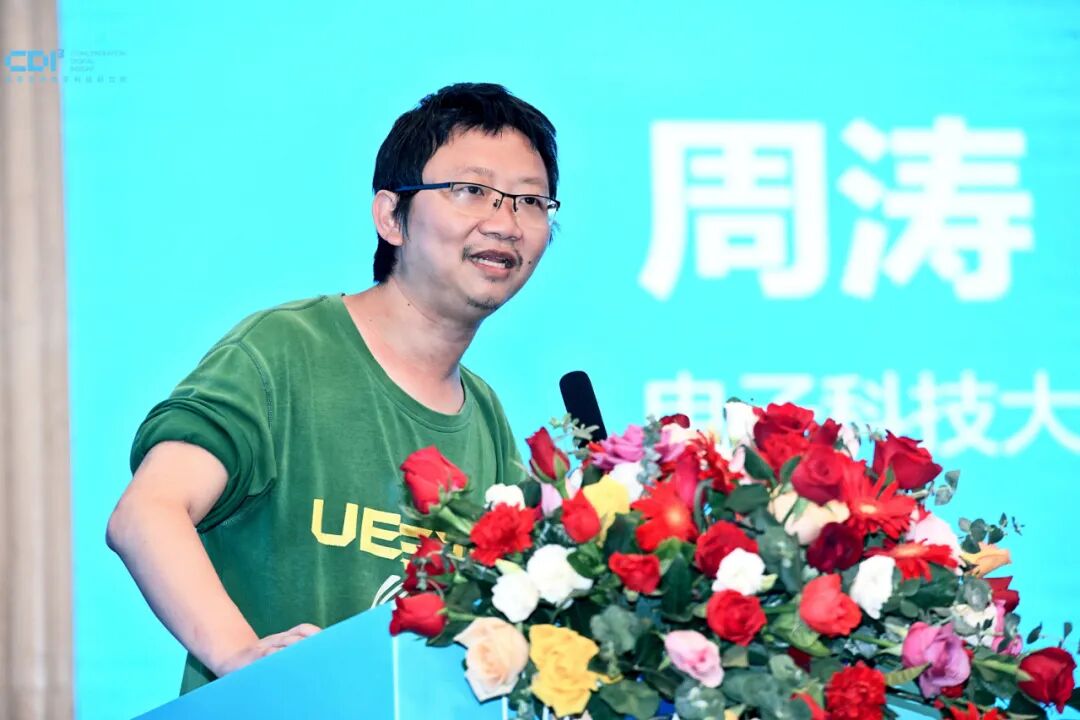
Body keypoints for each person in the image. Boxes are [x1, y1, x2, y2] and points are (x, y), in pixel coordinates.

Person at [105, 82, 560, 693]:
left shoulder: (486, 418)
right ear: (391, 216)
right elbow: (147, 513)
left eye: (530, 201)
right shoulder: (287, 350)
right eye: (472, 190)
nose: (505, 223)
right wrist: (243, 656)